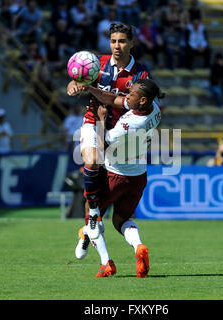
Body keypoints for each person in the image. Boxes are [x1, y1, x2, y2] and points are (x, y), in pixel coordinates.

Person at [66, 23, 149, 241]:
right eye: (113, 41)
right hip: (93, 122)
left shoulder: (140, 74)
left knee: (113, 187)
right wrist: (73, 85)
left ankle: (97, 237)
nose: (117, 46)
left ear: (131, 43)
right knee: (92, 161)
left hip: (120, 134)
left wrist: (91, 89)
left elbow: (122, 102)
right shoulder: (98, 63)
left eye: (122, 41)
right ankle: (93, 213)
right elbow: (77, 79)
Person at [76, 79, 163, 278]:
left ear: (141, 100)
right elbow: (119, 100)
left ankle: (105, 262)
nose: (126, 96)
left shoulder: (128, 124)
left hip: (115, 175)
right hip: (138, 175)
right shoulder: (155, 109)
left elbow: (101, 145)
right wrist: (91, 89)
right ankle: (138, 246)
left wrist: (100, 119)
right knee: (121, 220)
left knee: (92, 214)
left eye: (130, 94)